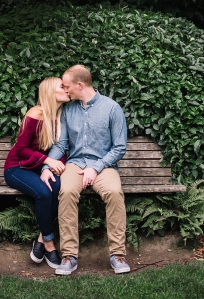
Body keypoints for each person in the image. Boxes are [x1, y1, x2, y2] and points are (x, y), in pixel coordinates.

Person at [41, 64, 130, 275]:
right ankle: (69, 256)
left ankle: (117, 254)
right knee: (67, 192)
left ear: (80, 85)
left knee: (115, 193)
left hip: (104, 165)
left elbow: (119, 147)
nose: (64, 89)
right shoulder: (68, 111)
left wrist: (96, 167)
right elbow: (61, 144)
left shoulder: (111, 108)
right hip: (75, 163)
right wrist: (47, 166)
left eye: (67, 85)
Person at [3, 76, 68, 268]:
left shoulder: (61, 115)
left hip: (40, 167)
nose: (66, 90)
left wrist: (50, 167)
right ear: (50, 93)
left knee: (57, 187)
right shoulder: (35, 114)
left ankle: (40, 239)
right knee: (42, 192)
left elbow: (61, 149)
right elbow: (22, 149)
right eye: (62, 87)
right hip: (18, 167)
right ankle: (49, 244)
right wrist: (47, 161)